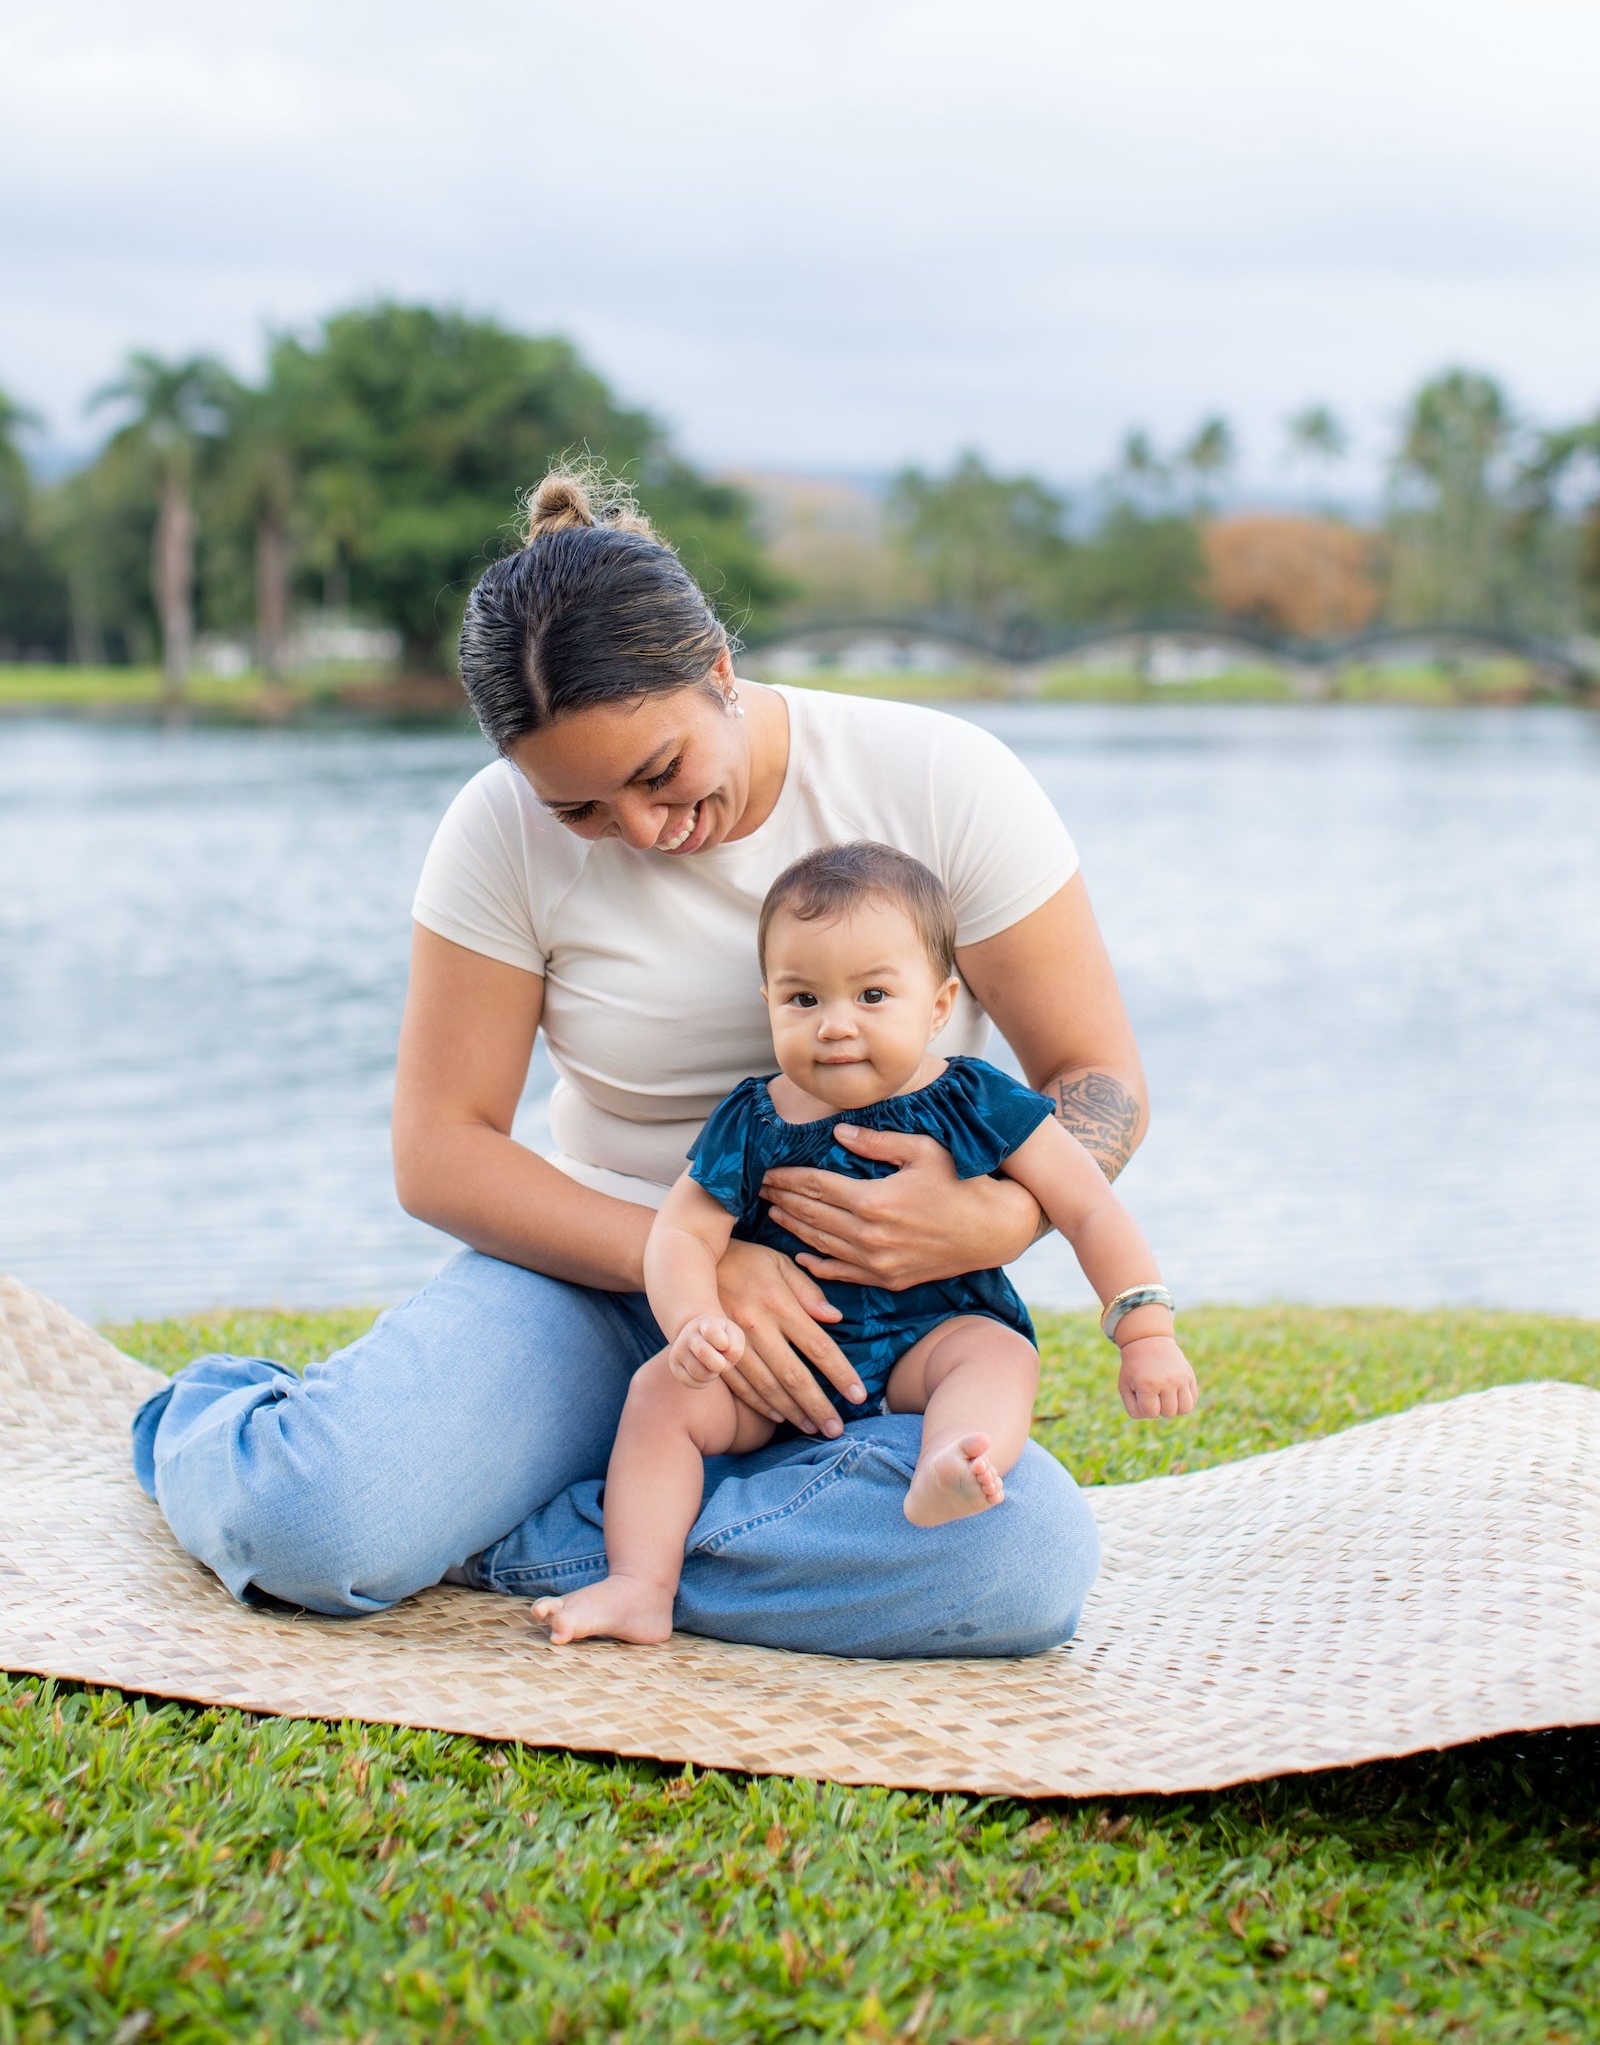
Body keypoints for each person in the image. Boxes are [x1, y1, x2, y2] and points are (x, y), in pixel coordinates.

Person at [131, 464, 1155, 1659]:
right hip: (599, 1280)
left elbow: (1097, 1075)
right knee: (312, 1525)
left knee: (1018, 1565)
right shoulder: (494, 831)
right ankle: (219, 1423)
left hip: (885, 1321)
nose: (642, 831)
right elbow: (440, 1151)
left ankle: (551, 1535)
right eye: (581, 809)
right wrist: (694, 1275)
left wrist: (993, 1221)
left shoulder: (941, 778)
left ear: (719, 671)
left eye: (660, 774)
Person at [538, 843, 1196, 1645]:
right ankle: (639, 1583)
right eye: (803, 998)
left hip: (931, 1338)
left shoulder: (974, 1099)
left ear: (938, 1003)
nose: (836, 1024)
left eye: (874, 994)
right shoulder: (753, 1119)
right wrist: (693, 1323)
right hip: (781, 1361)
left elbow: (1090, 1208)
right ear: (768, 1003)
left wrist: (1145, 1330)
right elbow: (682, 1230)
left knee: (995, 1357)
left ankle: (950, 1463)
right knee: (659, 1395)